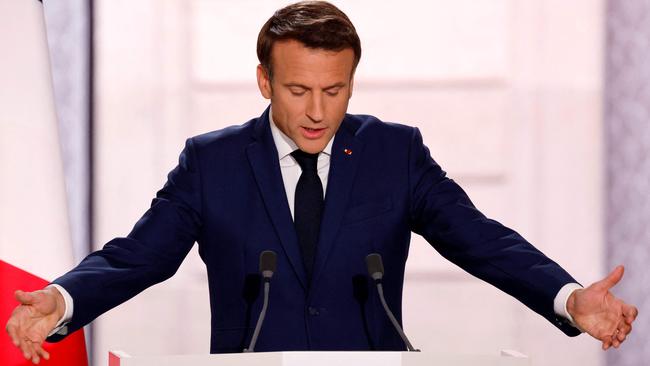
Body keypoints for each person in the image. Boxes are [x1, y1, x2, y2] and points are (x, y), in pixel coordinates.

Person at [6, 1, 638, 364]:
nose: (317, 112)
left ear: (352, 83)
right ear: (264, 81)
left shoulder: (396, 152)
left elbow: (480, 239)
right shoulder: (212, 163)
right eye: (298, 89)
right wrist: (62, 302)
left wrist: (568, 296)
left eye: (334, 91)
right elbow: (136, 257)